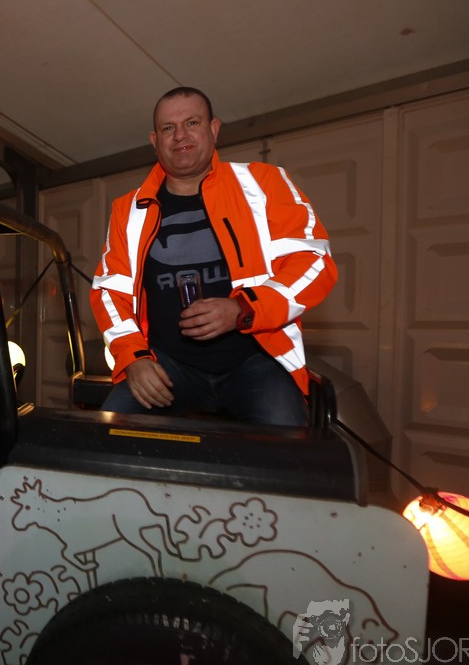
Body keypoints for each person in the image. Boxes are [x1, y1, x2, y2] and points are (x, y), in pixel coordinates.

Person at [90, 87, 336, 426]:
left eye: (192, 123)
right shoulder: (128, 209)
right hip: (168, 365)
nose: (180, 135)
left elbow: (314, 262)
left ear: (214, 129)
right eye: (168, 128)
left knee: (286, 448)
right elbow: (109, 292)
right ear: (155, 140)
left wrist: (243, 308)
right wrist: (133, 358)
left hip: (256, 360)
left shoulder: (264, 183)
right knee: (105, 435)